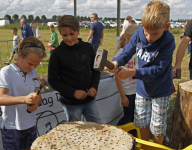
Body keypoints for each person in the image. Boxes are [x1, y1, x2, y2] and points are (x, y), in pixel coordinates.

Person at [108, 0, 175, 145]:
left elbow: (157, 70)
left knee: (157, 127)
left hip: (161, 90)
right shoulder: (138, 34)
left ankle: (155, 148)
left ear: (166, 27)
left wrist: (132, 73)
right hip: (142, 90)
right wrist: (116, 62)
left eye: (154, 33)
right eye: (146, 31)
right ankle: (145, 147)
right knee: (141, 122)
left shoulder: (168, 40)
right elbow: (125, 53)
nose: (149, 37)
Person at [0, 37, 47, 150]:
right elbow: (0, 98)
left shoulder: (34, 73)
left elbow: (37, 97)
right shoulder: (6, 72)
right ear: (19, 55)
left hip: (30, 124)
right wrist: (25, 99)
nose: (33, 67)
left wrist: (36, 102)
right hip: (12, 127)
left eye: (37, 64)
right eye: (30, 63)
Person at [48, 15, 101, 123]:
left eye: (72, 34)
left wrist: (94, 86)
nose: (68, 38)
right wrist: (73, 92)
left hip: (90, 100)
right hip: (70, 103)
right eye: (64, 35)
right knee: (75, 132)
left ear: (78, 31)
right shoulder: (57, 54)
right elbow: (52, 80)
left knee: (98, 128)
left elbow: (96, 70)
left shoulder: (88, 47)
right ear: (60, 34)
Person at [115, 25, 140, 136]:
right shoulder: (121, 53)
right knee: (128, 118)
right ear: (129, 39)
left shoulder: (140, 52)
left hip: (138, 92)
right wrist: (122, 96)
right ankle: (115, 133)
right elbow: (117, 77)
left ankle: (133, 139)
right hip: (127, 93)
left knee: (136, 118)